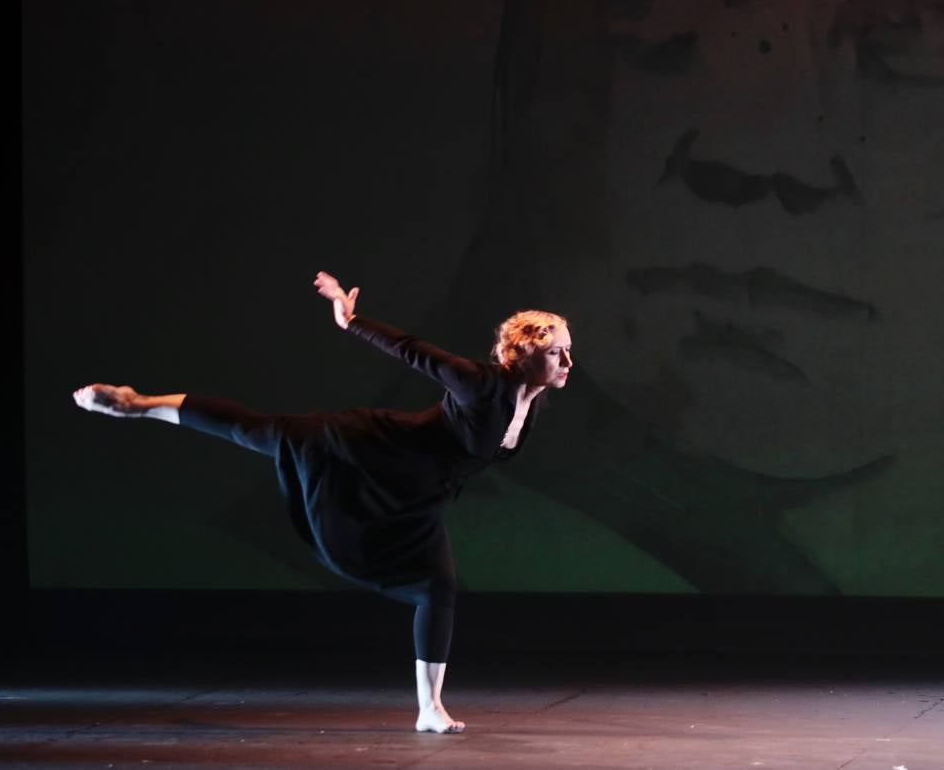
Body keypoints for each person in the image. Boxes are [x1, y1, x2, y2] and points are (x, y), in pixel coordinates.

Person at [72, 270, 573, 733]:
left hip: (415, 498)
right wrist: (352, 320)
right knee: (267, 432)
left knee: (438, 590)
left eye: (568, 351)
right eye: (557, 353)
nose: (568, 362)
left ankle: (429, 710)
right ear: (521, 355)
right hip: (372, 453)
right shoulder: (483, 385)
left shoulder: (528, 405)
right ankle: (137, 404)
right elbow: (414, 351)